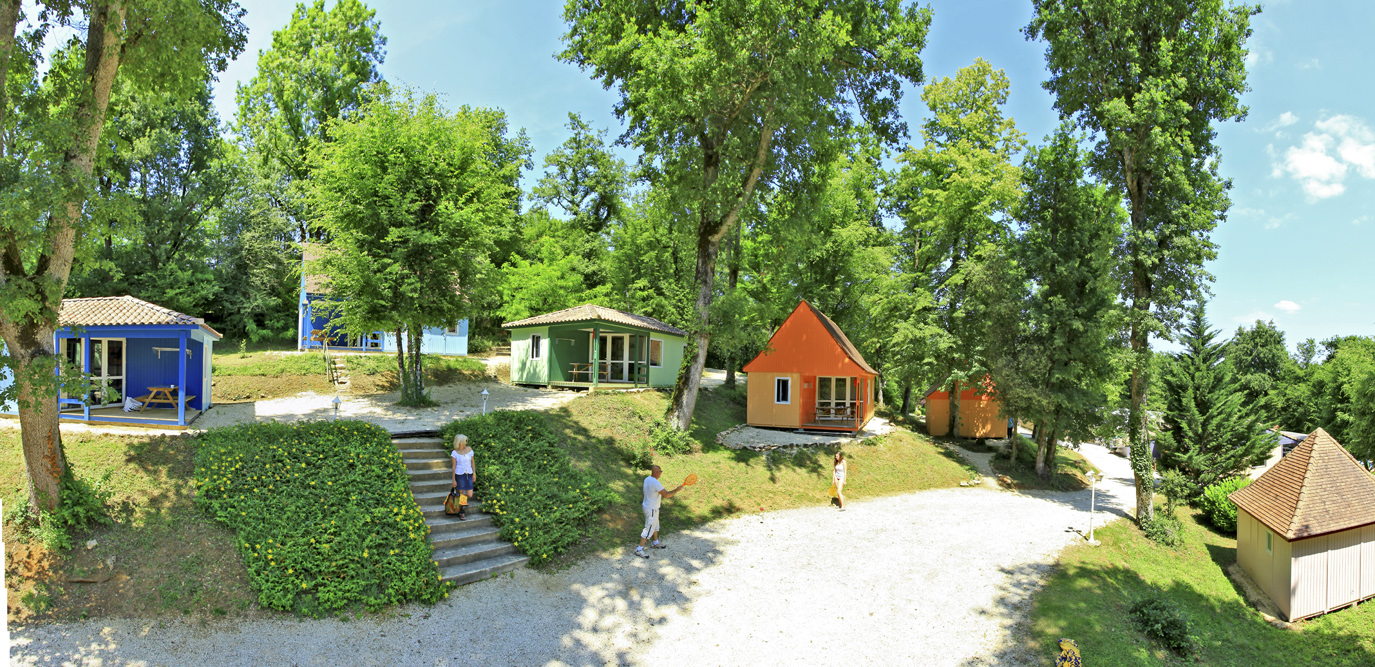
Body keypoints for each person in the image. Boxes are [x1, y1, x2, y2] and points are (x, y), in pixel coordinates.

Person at [635, 465, 684, 559]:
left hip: (648, 507)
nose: (661, 473)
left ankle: (655, 542)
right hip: (652, 509)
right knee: (649, 528)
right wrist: (677, 490)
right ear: (657, 472)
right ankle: (639, 549)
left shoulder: (647, 479)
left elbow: (646, 492)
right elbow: (667, 495)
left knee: (655, 526)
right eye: (660, 472)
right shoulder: (656, 483)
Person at [451, 434, 476, 521]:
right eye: (464, 441)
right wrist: (454, 480)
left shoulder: (469, 449)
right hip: (459, 474)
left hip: (468, 473)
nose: (465, 443)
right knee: (461, 493)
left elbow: (472, 462)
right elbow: (454, 466)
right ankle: (461, 512)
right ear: (459, 442)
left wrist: (474, 473)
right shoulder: (454, 453)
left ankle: (462, 501)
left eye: (466, 441)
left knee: (469, 494)